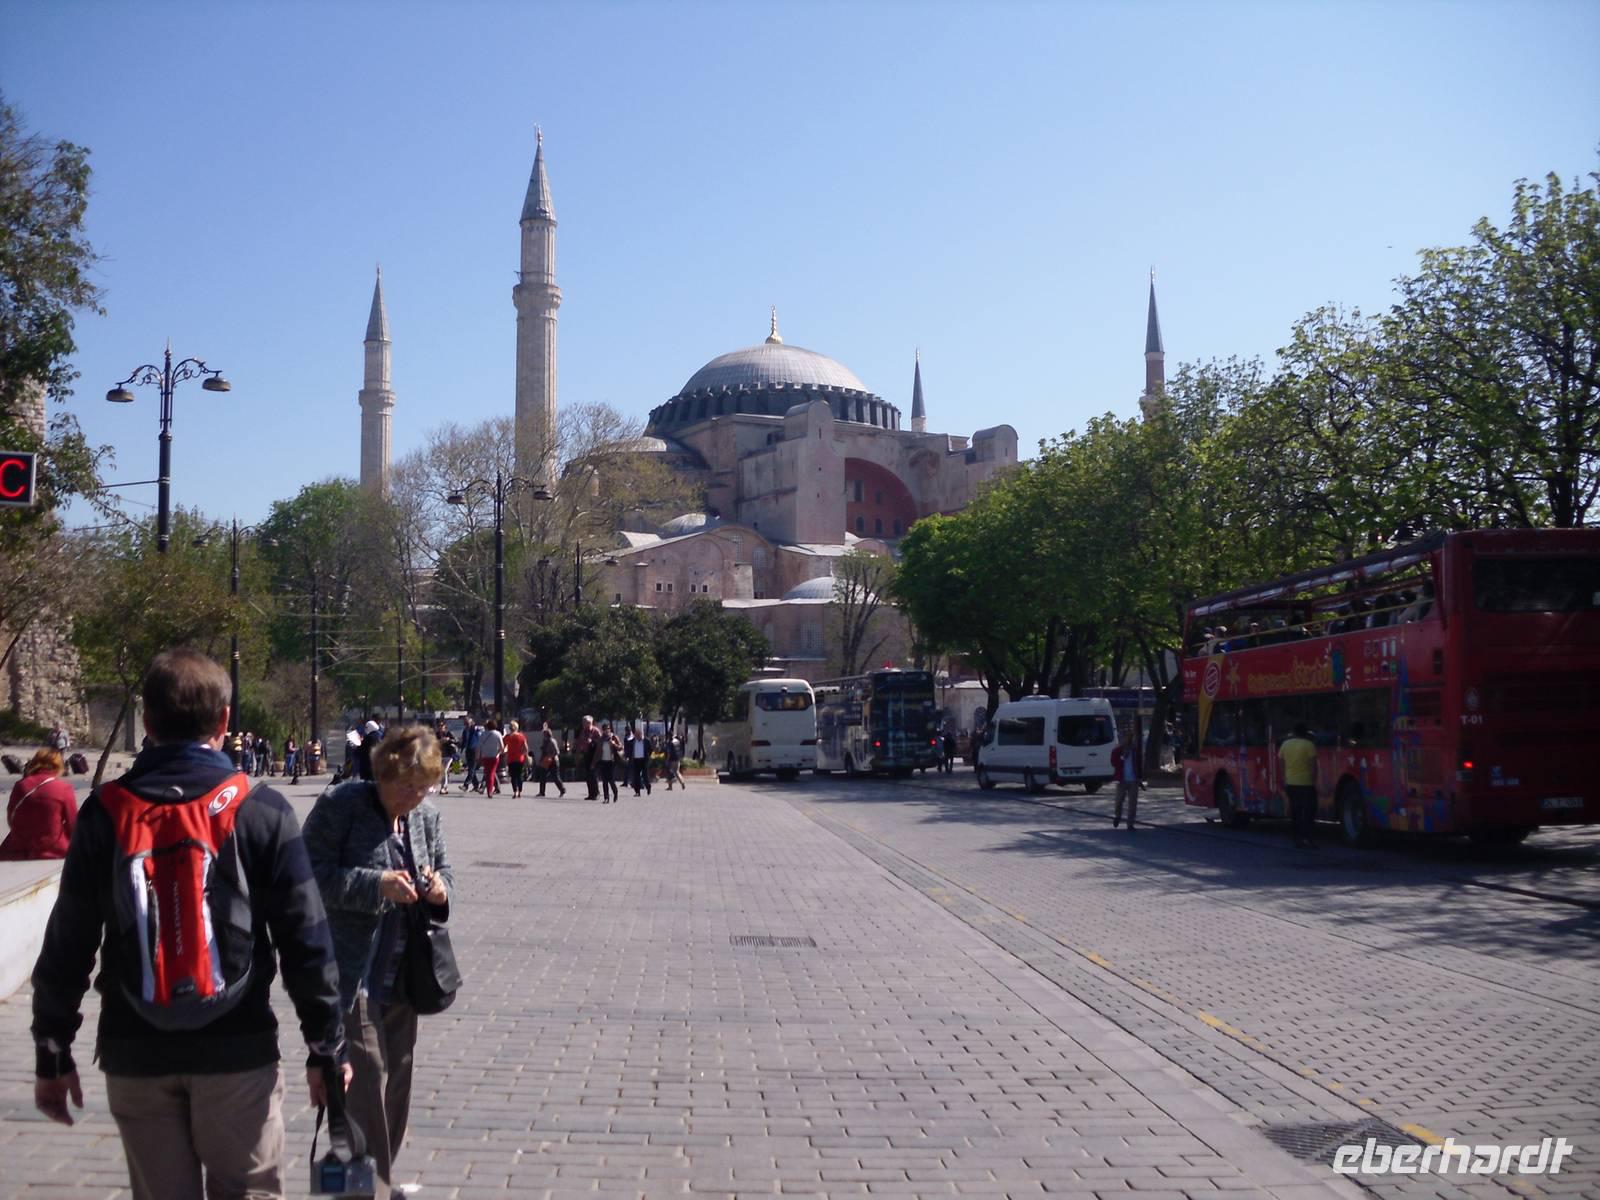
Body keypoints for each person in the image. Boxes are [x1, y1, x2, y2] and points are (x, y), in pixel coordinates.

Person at [28, 647, 347, 1199]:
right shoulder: (262, 809)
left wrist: (52, 1054)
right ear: (225, 721)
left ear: (146, 723)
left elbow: (68, 944)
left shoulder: (105, 812)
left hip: (135, 1050)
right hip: (237, 1049)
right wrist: (326, 1049)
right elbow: (306, 942)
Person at [303, 724, 453, 1200]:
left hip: (405, 974)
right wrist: (376, 884)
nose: (413, 796)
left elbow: (446, 869)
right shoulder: (341, 806)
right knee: (365, 1083)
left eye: (423, 787)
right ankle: (370, 1189)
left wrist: (439, 888)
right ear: (382, 772)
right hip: (352, 975)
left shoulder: (425, 817)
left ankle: (367, 1179)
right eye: (406, 786)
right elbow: (309, 875)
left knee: (397, 1087)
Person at [1, 748, 78, 861]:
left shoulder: (20, 785)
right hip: (54, 849)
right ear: (59, 766)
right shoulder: (64, 788)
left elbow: (11, 819)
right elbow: (73, 825)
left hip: (19, 848)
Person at [1279, 721, 1319, 848]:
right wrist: (1313, 780)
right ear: (1306, 733)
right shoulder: (1309, 745)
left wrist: (1284, 777)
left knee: (1295, 812)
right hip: (1306, 783)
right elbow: (1313, 765)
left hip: (1291, 783)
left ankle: (1297, 839)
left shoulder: (1285, 744)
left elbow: (1281, 761)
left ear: (1294, 732)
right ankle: (1308, 838)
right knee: (1308, 812)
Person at [1110, 729, 1142, 831]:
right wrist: (1122, 757)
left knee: (1133, 802)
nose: (1129, 740)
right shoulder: (1117, 750)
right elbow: (1113, 763)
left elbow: (1139, 764)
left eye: (1130, 738)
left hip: (1133, 779)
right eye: (1127, 738)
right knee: (1119, 800)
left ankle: (1130, 824)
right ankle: (1117, 815)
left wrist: (1140, 777)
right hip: (1122, 779)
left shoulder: (1135, 750)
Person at [536, 722, 566, 797]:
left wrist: (550, 756)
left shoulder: (552, 741)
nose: (543, 735)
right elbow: (543, 751)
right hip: (545, 761)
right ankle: (542, 792)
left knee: (555, 776)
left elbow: (557, 752)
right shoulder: (545, 741)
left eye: (544, 734)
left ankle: (562, 789)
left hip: (553, 761)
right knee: (542, 776)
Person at [502, 720, 530, 799]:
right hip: (520, 758)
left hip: (511, 759)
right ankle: (520, 791)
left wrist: (505, 752)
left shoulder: (507, 737)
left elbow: (503, 747)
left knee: (513, 776)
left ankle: (515, 791)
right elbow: (526, 748)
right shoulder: (521, 736)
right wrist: (523, 753)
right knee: (519, 775)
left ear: (510, 728)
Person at [477, 721, 505, 797]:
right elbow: (502, 747)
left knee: (487, 773)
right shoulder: (498, 734)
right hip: (494, 757)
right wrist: (498, 753)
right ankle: (490, 791)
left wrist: (477, 756)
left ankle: (488, 789)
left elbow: (479, 746)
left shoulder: (483, 734)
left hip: (485, 757)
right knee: (491, 773)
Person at [575, 715, 600, 801]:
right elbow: (579, 743)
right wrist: (578, 755)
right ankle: (590, 794)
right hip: (586, 754)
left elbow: (600, 743)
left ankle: (596, 793)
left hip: (594, 755)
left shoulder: (595, 731)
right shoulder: (583, 731)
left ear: (589, 723)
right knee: (588, 775)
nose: (583, 724)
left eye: (584, 722)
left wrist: (592, 741)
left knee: (593, 775)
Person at [597, 722, 621, 803]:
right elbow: (598, 752)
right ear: (602, 730)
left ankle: (615, 793)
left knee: (611, 780)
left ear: (610, 729)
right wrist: (594, 762)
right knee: (604, 781)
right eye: (604, 729)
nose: (606, 731)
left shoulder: (614, 737)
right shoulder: (601, 739)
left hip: (612, 762)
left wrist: (614, 744)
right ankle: (606, 798)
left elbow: (620, 748)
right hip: (603, 761)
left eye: (608, 729)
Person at [625, 725, 651, 796]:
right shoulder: (633, 741)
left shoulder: (646, 741)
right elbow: (629, 750)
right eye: (635, 734)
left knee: (645, 775)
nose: (636, 736)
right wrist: (628, 756)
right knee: (636, 776)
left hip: (644, 760)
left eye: (638, 734)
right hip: (636, 760)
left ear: (641, 734)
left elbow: (650, 750)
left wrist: (648, 757)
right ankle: (637, 791)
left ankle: (648, 787)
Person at [461, 718, 482, 793]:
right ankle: (476, 786)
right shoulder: (465, 730)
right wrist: (461, 749)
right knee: (471, 768)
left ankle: (465, 785)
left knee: (472, 769)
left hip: (474, 750)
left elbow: (479, 737)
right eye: (465, 723)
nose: (465, 725)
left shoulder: (475, 730)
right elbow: (464, 741)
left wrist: (473, 726)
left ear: (471, 723)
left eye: (467, 723)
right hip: (468, 750)